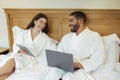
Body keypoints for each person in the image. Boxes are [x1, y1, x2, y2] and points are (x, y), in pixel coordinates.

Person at [0, 13, 57, 80]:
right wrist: (19, 50)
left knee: (12, 61)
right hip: (20, 55)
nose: (42, 25)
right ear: (35, 21)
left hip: (30, 59)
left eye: (44, 23)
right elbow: (16, 45)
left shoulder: (45, 38)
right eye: (41, 22)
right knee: (8, 72)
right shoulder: (24, 33)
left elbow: (54, 49)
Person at [56, 11, 106, 80]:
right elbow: (59, 53)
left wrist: (82, 64)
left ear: (80, 21)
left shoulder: (94, 36)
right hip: (64, 66)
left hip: (80, 68)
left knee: (69, 77)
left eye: (71, 21)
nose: (69, 24)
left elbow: (99, 57)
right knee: (53, 73)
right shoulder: (66, 37)